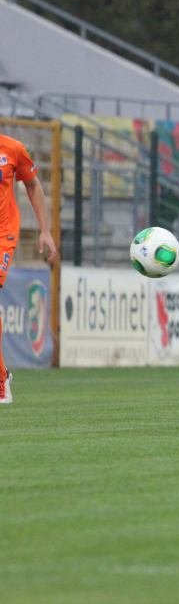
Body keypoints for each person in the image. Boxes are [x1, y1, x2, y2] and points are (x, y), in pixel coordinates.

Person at [0, 134, 58, 404]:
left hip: (3, 235)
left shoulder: (12, 149)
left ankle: (0, 383)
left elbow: (33, 185)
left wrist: (45, 231)